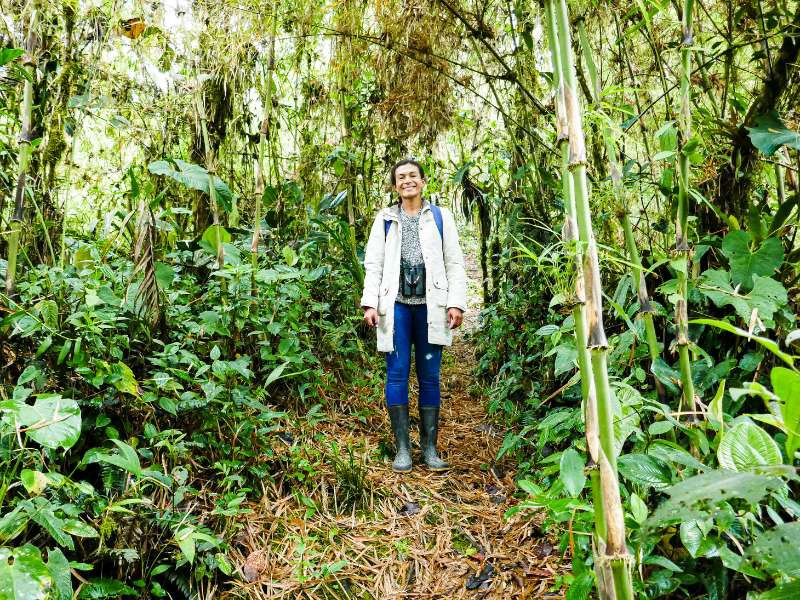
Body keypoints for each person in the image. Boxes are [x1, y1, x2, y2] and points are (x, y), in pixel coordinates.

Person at [360, 159, 467, 472]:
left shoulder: (439, 217)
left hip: (430, 305)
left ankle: (430, 449)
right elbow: (374, 264)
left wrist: (455, 303)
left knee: (430, 375)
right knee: (397, 371)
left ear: (422, 181)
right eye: (401, 178)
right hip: (396, 306)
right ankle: (403, 449)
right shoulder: (385, 218)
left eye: (412, 176)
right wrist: (370, 303)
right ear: (395, 186)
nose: (407, 181)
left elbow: (455, 264)